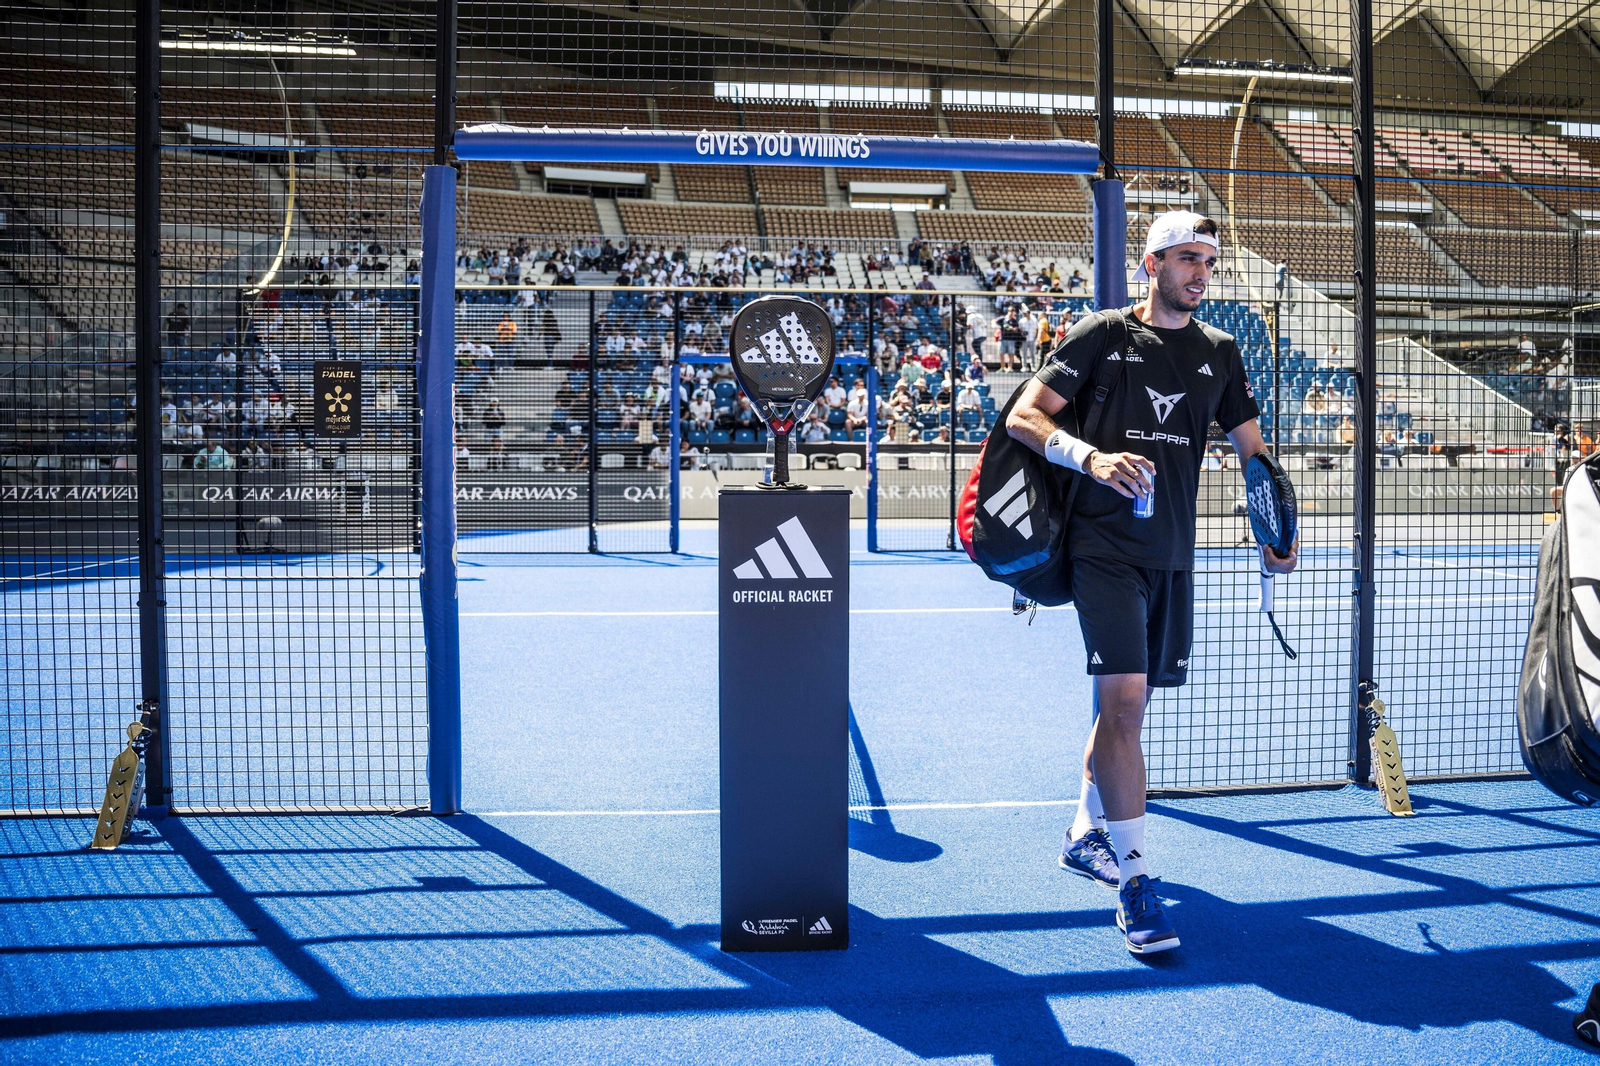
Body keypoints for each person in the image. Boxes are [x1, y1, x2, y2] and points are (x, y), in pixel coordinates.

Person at [1004, 210, 1297, 955]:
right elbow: (1023, 418)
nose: (1201, 272)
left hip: (1172, 551)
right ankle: (1136, 884)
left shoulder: (1221, 351)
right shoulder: (1102, 334)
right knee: (1126, 700)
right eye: (1187, 258)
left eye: (1209, 260)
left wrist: (1276, 530)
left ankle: (1083, 831)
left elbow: (1253, 452)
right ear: (1151, 264)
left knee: (1126, 709)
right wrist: (1090, 457)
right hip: (1101, 546)